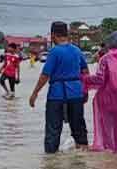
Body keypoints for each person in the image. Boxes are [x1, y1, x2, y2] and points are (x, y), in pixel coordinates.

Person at [29, 21, 89, 154]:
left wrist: (34, 93)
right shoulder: (77, 50)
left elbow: (45, 75)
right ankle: (82, 164)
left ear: (53, 35)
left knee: (53, 132)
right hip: (76, 94)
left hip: (56, 96)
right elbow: (85, 72)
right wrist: (85, 91)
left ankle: (51, 166)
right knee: (79, 130)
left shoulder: (54, 52)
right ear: (66, 34)